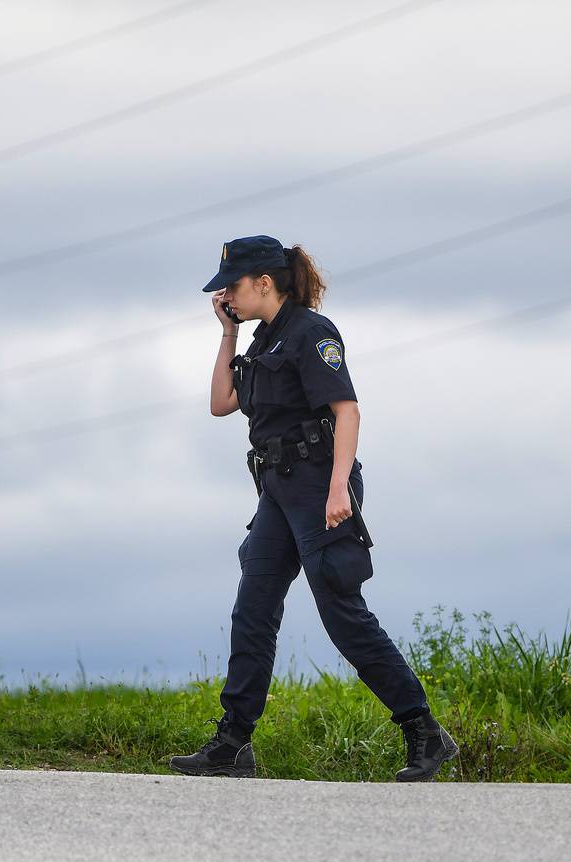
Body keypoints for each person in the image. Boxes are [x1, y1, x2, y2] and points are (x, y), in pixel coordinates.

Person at [169, 235, 457, 782]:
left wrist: (338, 488)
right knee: (253, 609)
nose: (225, 295)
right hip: (277, 491)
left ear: (263, 283)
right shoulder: (259, 341)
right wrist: (229, 334)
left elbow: (346, 410)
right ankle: (233, 744)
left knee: (341, 613)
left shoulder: (311, 333)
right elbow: (220, 404)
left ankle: (423, 731)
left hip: (320, 486)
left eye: (232, 287)